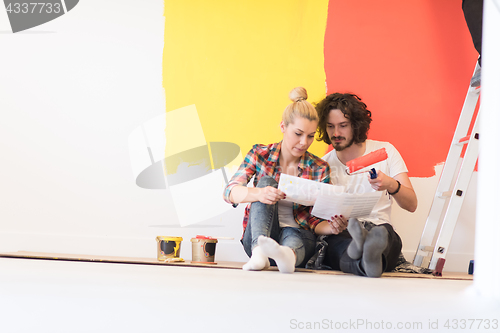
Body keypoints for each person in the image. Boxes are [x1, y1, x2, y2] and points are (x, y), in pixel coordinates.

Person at [223, 87, 331, 274]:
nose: (304, 142)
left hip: (298, 235)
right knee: (265, 183)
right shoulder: (260, 154)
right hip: (258, 235)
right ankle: (259, 255)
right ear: (283, 127)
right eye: (298, 133)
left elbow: (316, 219)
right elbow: (229, 192)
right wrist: (260, 193)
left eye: (311, 136)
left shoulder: (319, 168)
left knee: (293, 236)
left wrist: (333, 226)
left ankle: (287, 256)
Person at [313, 92, 418, 277]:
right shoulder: (323, 165)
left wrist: (391, 184)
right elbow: (312, 217)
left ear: (356, 125)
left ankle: (367, 251)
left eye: (343, 126)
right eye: (330, 127)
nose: (336, 133)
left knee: (386, 237)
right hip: (344, 232)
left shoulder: (386, 151)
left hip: (379, 227)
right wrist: (333, 223)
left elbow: (411, 205)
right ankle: (366, 258)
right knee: (338, 245)